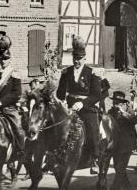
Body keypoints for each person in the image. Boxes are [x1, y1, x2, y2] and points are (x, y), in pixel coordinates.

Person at [57, 35, 101, 174]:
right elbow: (60, 93)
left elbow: (96, 95)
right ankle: (54, 157)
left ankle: (95, 158)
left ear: (84, 58)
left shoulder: (91, 73)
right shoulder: (66, 72)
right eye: (74, 58)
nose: (76, 61)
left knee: (92, 128)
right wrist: (62, 102)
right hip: (70, 107)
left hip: (86, 108)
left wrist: (82, 104)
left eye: (79, 59)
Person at [0, 47, 25, 155]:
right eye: (1, 59)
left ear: (9, 59)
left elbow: (17, 94)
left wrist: (0, 102)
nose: (3, 61)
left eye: (6, 59)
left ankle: (21, 152)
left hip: (8, 108)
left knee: (18, 129)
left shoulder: (14, 74)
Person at [107, 91, 137, 190]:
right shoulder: (111, 112)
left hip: (127, 143)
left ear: (123, 102)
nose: (115, 104)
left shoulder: (129, 110)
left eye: (118, 102)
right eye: (114, 101)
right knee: (117, 167)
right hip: (115, 143)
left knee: (120, 168)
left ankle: (114, 188)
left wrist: (123, 113)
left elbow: (134, 120)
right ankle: (127, 186)